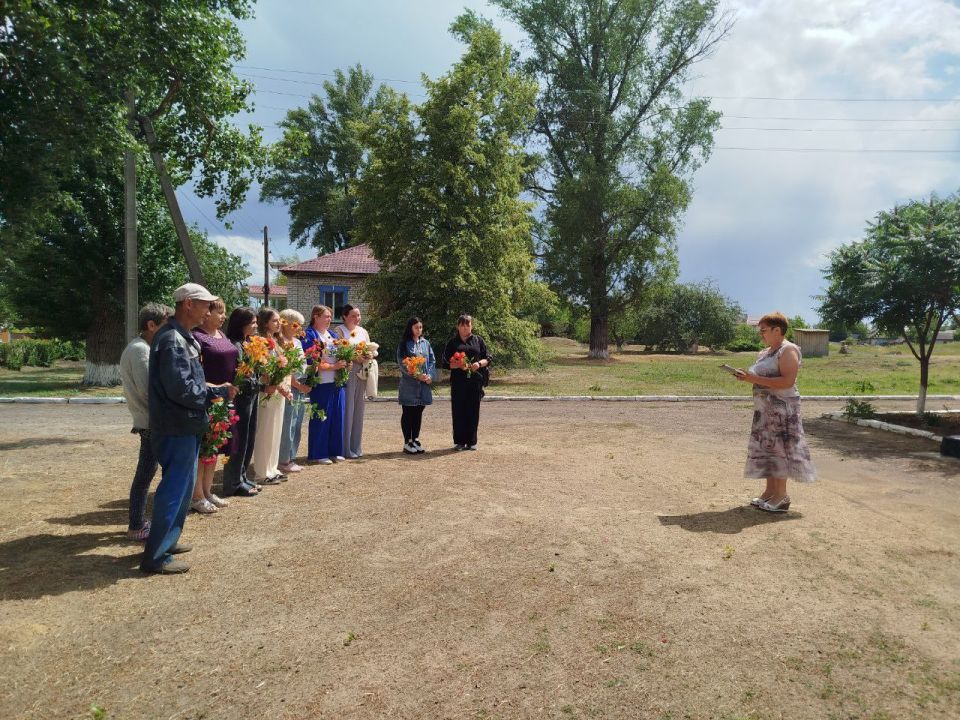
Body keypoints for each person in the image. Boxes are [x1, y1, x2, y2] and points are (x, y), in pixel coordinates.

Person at [141, 283, 236, 574]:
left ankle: (168, 542)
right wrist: (213, 392)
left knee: (182, 490)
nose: (209, 310)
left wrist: (211, 388)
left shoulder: (180, 337)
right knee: (174, 489)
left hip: (185, 424)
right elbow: (180, 389)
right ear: (187, 304)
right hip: (176, 426)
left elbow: (187, 383)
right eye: (205, 304)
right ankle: (156, 557)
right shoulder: (172, 340)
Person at [734, 311, 816, 512]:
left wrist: (752, 379)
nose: (760, 334)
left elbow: (787, 381)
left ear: (777, 330)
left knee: (780, 451)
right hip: (765, 412)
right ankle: (770, 492)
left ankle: (782, 496)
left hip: (783, 412)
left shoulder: (788, 350)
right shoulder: (765, 352)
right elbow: (760, 378)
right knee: (768, 450)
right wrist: (745, 377)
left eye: (764, 330)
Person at [119, 302, 173, 541]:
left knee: (146, 473)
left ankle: (138, 522)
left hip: (152, 420)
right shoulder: (140, 350)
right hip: (151, 422)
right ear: (151, 325)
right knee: (145, 475)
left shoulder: (143, 347)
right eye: (164, 326)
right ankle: (136, 525)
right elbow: (148, 390)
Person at [191, 297, 237, 514]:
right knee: (204, 448)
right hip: (208, 397)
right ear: (207, 313)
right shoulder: (197, 337)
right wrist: (217, 387)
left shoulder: (222, 335)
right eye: (220, 312)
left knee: (216, 446)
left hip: (225, 399)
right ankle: (197, 495)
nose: (223, 316)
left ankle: (208, 491)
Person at [222, 307, 261, 497]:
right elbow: (236, 372)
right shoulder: (234, 344)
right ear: (241, 324)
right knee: (239, 439)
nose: (255, 326)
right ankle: (233, 482)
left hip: (251, 394)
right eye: (252, 322)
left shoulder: (248, 342)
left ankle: (242, 476)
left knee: (249, 437)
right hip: (241, 396)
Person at [252, 307, 292, 485]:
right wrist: (275, 384)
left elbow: (282, 368)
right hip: (267, 390)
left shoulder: (276, 341)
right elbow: (263, 368)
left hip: (278, 389)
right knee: (265, 431)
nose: (278, 324)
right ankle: (261, 471)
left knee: (276, 430)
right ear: (265, 322)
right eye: (275, 320)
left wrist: (284, 387)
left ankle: (272, 468)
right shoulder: (260, 341)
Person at [303, 304, 346, 465]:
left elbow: (341, 352)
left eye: (330, 316)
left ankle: (334, 451)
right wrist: (334, 366)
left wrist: (345, 362)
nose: (329, 319)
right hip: (321, 383)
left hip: (336, 382)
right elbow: (312, 361)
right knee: (321, 417)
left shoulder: (332, 334)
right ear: (316, 317)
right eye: (326, 316)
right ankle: (317, 453)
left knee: (336, 417)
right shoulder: (309, 335)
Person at [441, 314, 491, 451]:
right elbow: (445, 363)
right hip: (458, 382)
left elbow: (488, 358)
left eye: (467, 324)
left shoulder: (478, 340)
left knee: (473, 410)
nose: (465, 327)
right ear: (458, 326)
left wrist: (479, 364)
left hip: (475, 381)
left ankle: (471, 441)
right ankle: (460, 441)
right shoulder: (452, 343)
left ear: (471, 326)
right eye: (462, 325)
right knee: (458, 410)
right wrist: (459, 365)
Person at [335, 304, 377, 458]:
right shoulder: (339, 331)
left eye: (358, 315)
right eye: (353, 315)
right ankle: (345, 449)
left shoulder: (363, 332)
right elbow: (338, 351)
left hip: (362, 372)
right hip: (348, 371)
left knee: (359, 409)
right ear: (345, 316)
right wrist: (354, 357)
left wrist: (369, 355)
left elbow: (369, 349)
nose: (357, 318)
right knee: (348, 410)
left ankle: (356, 447)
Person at [396, 316, 437, 454]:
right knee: (408, 412)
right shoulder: (404, 344)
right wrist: (415, 374)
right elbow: (402, 363)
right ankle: (407, 441)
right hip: (409, 385)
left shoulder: (426, 343)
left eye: (420, 327)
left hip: (423, 385)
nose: (419, 330)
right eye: (416, 327)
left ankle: (416, 439)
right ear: (410, 328)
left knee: (419, 411)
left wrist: (430, 375)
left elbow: (432, 361)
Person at [278, 309, 311, 473]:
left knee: (297, 423)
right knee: (287, 424)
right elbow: (285, 371)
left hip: (299, 386)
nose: (299, 329)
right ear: (286, 323)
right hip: (289, 387)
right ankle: (283, 460)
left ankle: (291, 456)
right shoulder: (280, 342)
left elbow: (300, 365)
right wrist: (298, 385)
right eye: (296, 325)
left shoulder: (297, 342)